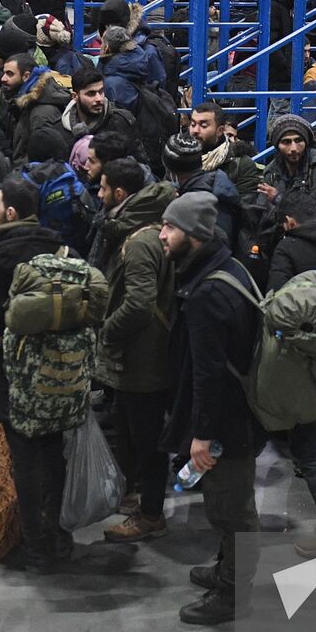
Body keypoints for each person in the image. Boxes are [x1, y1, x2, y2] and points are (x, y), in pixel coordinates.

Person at [159, 193, 261, 625]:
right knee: (230, 506)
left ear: (196, 236)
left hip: (227, 423)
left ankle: (233, 595)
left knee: (231, 511)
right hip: (241, 414)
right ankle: (227, 571)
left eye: (171, 228)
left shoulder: (207, 294)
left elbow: (209, 375)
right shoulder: (229, 266)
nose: (162, 235)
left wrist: (202, 436)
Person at [0, 178, 67, 569]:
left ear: (10, 213)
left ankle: (35, 545)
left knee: (23, 462)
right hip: (58, 371)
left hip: (12, 373)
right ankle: (56, 532)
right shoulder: (59, 246)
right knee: (54, 454)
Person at [95, 163, 178, 543]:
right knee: (132, 430)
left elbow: (140, 303)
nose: (98, 194)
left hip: (142, 359)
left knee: (147, 439)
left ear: (119, 193)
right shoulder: (141, 232)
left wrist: (108, 331)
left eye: (102, 187)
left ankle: (150, 513)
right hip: (136, 356)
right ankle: (139, 500)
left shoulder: (141, 241)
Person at [0, 52, 73, 166]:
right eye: (4, 73)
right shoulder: (21, 101)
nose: (3, 78)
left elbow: (42, 157)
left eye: (10, 74)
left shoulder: (40, 113)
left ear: (26, 76)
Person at [260, 114, 316, 208]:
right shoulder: (271, 173)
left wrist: (278, 198)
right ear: (277, 145)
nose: (294, 148)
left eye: (298, 141)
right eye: (286, 142)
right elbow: (260, 210)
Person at [189, 101, 261, 194]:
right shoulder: (179, 157)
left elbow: (246, 205)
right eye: (193, 124)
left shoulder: (241, 164)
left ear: (220, 131)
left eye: (203, 126)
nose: (195, 130)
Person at [62, 66, 137, 141]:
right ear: (75, 96)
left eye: (101, 91)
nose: (99, 98)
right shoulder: (61, 130)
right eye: (91, 93)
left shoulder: (121, 121)